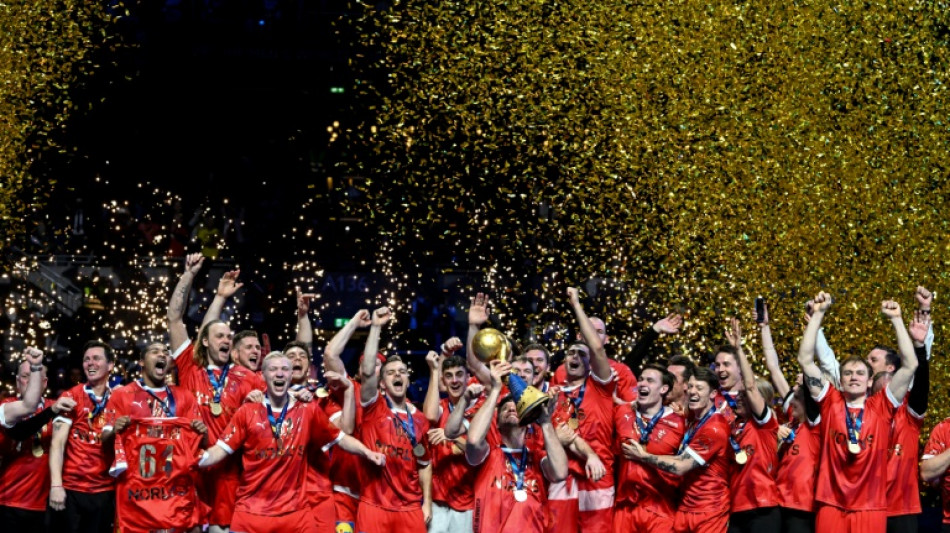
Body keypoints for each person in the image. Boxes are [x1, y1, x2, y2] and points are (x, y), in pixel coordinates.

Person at [198, 351, 385, 533]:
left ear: (290, 375)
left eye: (284, 369)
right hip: (251, 513)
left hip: (295, 515)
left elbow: (341, 438)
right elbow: (220, 450)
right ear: (263, 376)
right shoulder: (247, 412)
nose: (279, 373)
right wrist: (198, 458)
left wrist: (367, 452)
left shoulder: (307, 410)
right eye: (273, 369)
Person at [799, 292, 918, 533]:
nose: (854, 377)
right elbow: (805, 359)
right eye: (848, 373)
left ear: (869, 380)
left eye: (860, 373)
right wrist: (818, 315)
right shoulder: (831, 402)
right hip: (831, 503)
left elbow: (911, 365)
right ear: (840, 381)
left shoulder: (881, 406)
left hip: (870, 506)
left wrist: (897, 319)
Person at [167, 253, 265, 532]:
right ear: (206, 341)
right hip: (190, 469)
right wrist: (189, 274)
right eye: (220, 336)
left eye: (230, 337)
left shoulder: (248, 378)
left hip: (229, 476)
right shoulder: (189, 366)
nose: (226, 339)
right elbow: (174, 317)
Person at [105, 342, 207, 533]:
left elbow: (200, 446)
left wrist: (204, 433)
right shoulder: (122, 395)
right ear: (142, 362)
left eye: (166, 352)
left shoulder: (184, 396)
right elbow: (105, 441)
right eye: (155, 352)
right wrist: (114, 431)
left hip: (175, 495)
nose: (162, 355)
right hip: (138, 498)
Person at [623, 366, 732, 533]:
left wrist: (643, 456)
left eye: (700, 388)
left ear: (712, 394)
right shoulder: (691, 418)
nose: (693, 392)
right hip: (684, 507)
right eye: (691, 386)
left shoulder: (714, 428)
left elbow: (681, 466)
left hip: (709, 511)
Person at [463, 360, 568, 533]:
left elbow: (560, 473)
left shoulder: (537, 457)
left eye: (517, 409)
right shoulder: (487, 455)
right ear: (496, 424)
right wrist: (496, 388)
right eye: (505, 409)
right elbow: (473, 440)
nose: (511, 410)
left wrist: (546, 422)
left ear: (527, 421)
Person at [546, 288, 617, 533]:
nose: (575, 356)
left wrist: (576, 305)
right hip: (562, 477)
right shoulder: (553, 396)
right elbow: (557, 437)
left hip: (597, 475)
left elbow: (597, 348)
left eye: (582, 354)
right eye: (571, 353)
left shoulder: (601, 387)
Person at [357, 307, 433, 533]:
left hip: (410, 508)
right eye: (390, 372)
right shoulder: (374, 406)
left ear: (409, 380)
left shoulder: (419, 420)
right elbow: (369, 370)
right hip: (375, 505)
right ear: (381, 384)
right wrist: (376, 327)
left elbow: (425, 464)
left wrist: (427, 503)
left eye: (402, 371)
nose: (397, 375)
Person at [48, 340, 118, 533]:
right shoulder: (71, 397)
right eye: (86, 359)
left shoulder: (119, 400)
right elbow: (57, 444)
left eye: (96, 358)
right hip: (72, 490)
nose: (90, 363)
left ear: (110, 365)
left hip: (105, 491)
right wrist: (56, 485)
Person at [0, 350, 74, 531]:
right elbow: (20, 431)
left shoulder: (56, 406)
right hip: (9, 501)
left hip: (45, 504)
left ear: (44, 383)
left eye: (35, 376)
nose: (30, 381)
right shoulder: (5, 407)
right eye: (26, 376)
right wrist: (51, 412)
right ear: (18, 382)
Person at [614, 363, 686, 533]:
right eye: (640, 379)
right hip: (625, 508)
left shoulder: (680, 422)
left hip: (660, 509)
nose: (642, 383)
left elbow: (685, 463)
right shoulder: (621, 412)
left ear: (663, 389)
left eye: (650, 381)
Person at [723, 318, 781, 532]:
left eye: (744, 396)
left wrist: (739, 350)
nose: (738, 398)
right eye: (738, 395)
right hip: (736, 508)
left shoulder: (765, 425)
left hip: (762, 507)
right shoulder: (734, 426)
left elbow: (749, 385)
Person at [422, 343, 481, 533]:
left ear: (468, 378)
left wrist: (450, 437)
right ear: (444, 382)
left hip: (468, 500)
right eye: (448, 376)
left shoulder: (479, 409)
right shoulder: (442, 406)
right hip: (439, 499)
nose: (454, 381)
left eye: (459, 375)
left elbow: (479, 449)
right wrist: (433, 371)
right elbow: (430, 416)